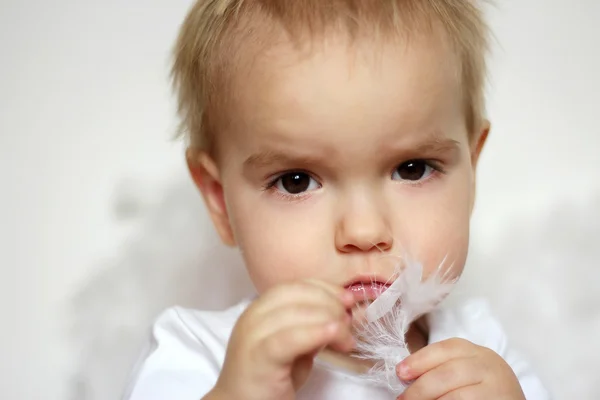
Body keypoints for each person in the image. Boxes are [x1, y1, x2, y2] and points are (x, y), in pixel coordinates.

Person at [123, 1, 550, 398]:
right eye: (296, 181)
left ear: (471, 175)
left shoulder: (487, 355)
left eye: (412, 168)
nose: (364, 232)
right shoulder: (199, 355)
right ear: (220, 201)